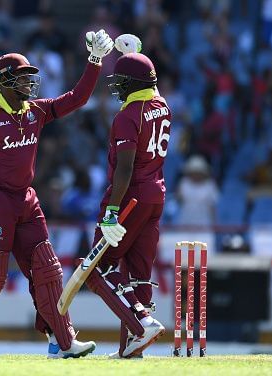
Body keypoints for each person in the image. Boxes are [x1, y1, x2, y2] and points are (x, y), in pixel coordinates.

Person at [0, 29, 114, 359]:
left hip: (26, 199)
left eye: (29, 77)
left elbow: (77, 98)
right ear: (3, 81)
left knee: (48, 270)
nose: (29, 83)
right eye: (21, 77)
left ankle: (62, 342)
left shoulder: (36, 111)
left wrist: (95, 61)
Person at [83, 42, 170, 359]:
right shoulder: (162, 105)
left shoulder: (127, 116)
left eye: (121, 82)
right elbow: (151, 86)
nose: (117, 87)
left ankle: (142, 321)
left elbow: (124, 168)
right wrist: (139, 59)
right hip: (156, 195)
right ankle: (132, 350)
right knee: (139, 273)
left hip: (129, 197)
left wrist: (111, 213)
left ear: (134, 85)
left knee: (96, 268)